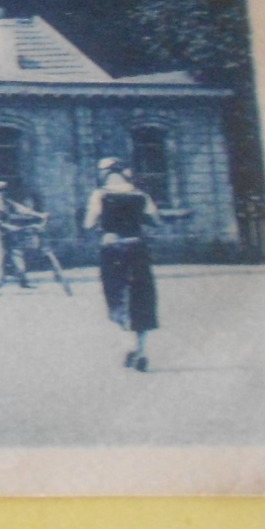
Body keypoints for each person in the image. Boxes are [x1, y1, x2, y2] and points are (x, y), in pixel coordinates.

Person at [84, 156, 162, 371]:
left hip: (113, 249)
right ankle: (141, 350)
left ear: (105, 173)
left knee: (117, 296)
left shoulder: (100, 195)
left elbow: (89, 223)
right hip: (137, 248)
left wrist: (105, 221)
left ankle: (129, 345)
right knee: (141, 297)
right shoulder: (140, 194)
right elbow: (156, 220)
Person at [0, 180, 40, 289]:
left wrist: (39, 215)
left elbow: (22, 209)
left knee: (17, 253)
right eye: (1, 191)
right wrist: (10, 227)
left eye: (5, 190)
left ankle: (23, 281)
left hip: (6, 231)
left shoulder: (7, 202)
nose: (3, 193)